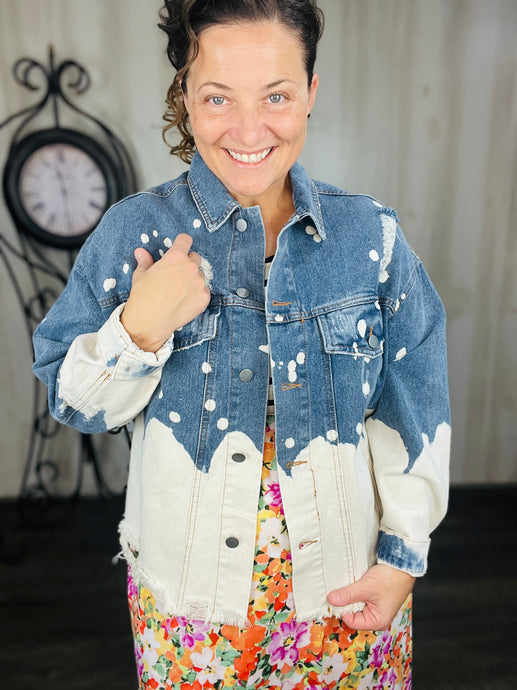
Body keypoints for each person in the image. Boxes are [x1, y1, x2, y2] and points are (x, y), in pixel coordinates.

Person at [33, 0, 450, 687]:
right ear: (186, 99)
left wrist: (402, 557)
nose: (249, 129)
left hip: (345, 597)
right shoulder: (131, 233)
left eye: (277, 95)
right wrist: (139, 330)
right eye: (218, 97)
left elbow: (414, 406)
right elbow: (75, 407)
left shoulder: (370, 238)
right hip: (190, 611)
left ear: (310, 93)